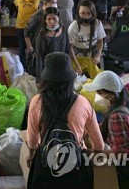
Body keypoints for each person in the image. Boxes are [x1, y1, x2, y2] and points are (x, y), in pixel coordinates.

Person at [26, 52, 104, 188]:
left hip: (46, 166)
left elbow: (32, 139)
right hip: (76, 168)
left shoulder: (37, 101)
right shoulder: (83, 102)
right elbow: (99, 145)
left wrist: (30, 155)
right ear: (70, 79)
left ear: (45, 79)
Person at [83, 71, 129, 188]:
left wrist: (91, 153)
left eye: (99, 92)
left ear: (111, 94)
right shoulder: (122, 103)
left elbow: (120, 154)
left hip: (128, 172)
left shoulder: (117, 117)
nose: (97, 96)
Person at [68, 0, 106, 78]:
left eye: (89, 13)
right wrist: (77, 64)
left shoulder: (97, 24)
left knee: (95, 79)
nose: (85, 16)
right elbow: (70, 47)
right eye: (82, 13)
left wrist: (98, 54)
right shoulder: (73, 26)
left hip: (93, 54)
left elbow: (100, 41)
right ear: (78, 13)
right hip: (78, 56)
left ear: (93, 13)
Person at [32, 7, 69, 79]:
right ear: (45, 20)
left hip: (62, 69)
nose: (52, 22)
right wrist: (40, 79)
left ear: (59, 19)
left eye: (54, 19)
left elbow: (67, 50)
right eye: (49, 19)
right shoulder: (41, 35)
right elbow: (39, 58)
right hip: (48, 71)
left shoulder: (64, 30)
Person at [14, 0, 41, 67]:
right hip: (33, 25)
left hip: (21, 25)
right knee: (33, 46)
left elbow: (16, 4)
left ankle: (23, 66)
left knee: (22, 47)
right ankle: (32, 65)